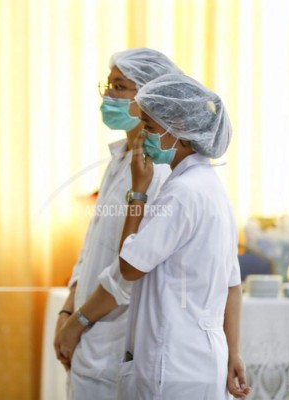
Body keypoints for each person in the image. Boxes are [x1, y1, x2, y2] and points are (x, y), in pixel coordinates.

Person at [53, 49, 181, 399]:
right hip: (89, 334)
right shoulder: (122, 159)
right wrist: (67, 308)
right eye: (108, 85)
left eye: (121, 86)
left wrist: (77, 324)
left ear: (150, 96)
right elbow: (92, 246)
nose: (109, 95)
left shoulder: (155, 175)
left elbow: (129, 270)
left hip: (114, 342)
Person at [115, 74, 251, 399]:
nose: (142, 136)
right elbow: (232, 286)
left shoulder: (181, 193)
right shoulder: (214, 189)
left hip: (172, 366)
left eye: (149, 127)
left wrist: (137, 193)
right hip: (205, 361)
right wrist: (234, 353)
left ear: (180, 132)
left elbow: (129, 267)